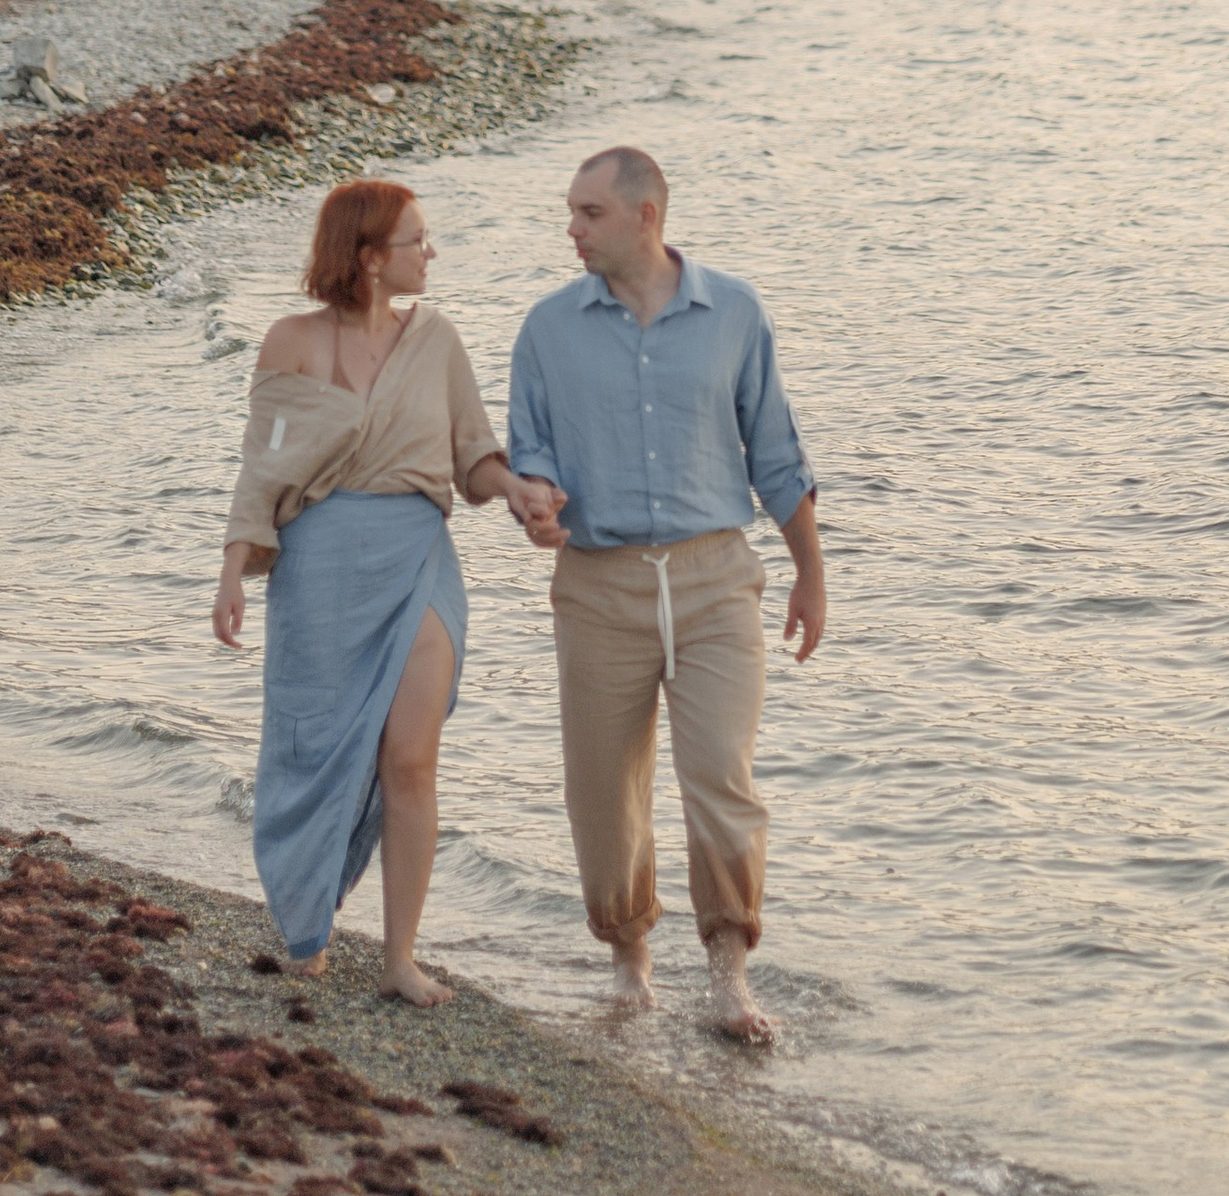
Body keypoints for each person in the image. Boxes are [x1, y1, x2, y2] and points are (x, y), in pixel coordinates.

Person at [505, 144, 825, 1044]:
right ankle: (629, 964)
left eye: (589, 213)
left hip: (717, 579)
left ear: (647, 216)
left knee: (720, 773)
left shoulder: (735, 314)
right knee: (605, 791)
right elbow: (528, 450)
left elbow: (777, 454)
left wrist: (810, 573)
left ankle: (729, 972)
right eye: (571, 212)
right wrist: (534, 502)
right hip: (598, 585)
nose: (571, 229)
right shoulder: (546, 329)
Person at [213, 178, 519, 1001]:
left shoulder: (439, 341)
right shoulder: (293, 342)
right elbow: (262, 467)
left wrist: (518, 487)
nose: (431, 252)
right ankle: (310, 916)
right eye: (417, 240)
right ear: (370, 257)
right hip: (320, 568)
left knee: (410, 759)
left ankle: (399, 960)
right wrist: (233, 571)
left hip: (418, 556)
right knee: (314, 750)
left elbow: (475, 459)